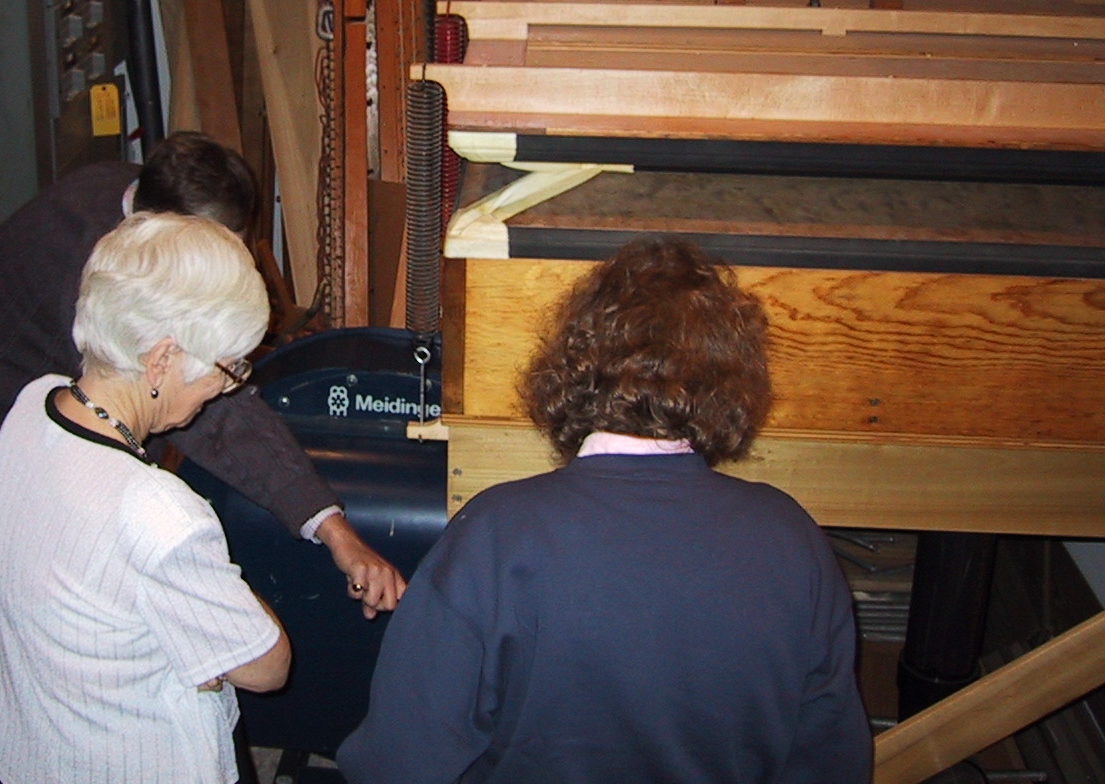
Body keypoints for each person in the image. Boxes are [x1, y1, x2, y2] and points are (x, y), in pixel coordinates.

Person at [338, 238, 872, 784]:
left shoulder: (496, 535)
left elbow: (397, 763)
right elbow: (832, 763)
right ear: (728, 380)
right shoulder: (792, 540)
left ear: (572, 368)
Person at [0, 131, 405, 614]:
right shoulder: (95, 277)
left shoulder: (135, 192)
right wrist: (333, 536)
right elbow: (216, 417)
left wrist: (332, 527)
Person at [0, 211, 291, 783]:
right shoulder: (157, 511)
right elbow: (267, 664)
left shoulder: (32, 404)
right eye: (228, 367)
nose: (228, 387)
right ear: (162, 359)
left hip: (32, 750)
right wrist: (213, 614)